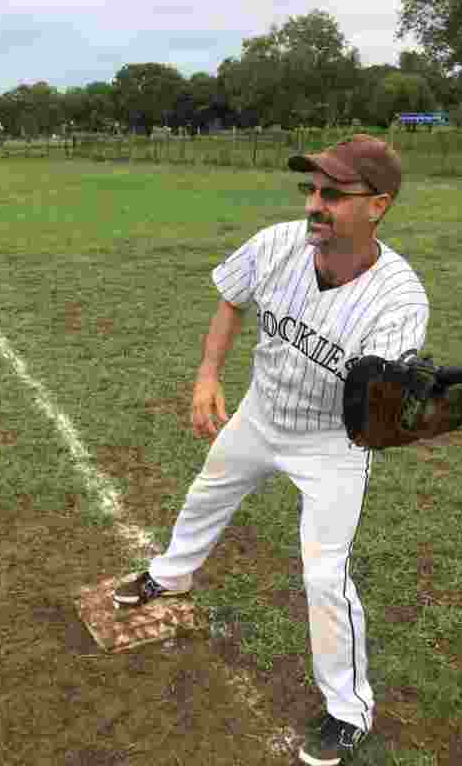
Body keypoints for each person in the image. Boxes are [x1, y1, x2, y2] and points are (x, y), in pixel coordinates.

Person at [112, 134, 429, 765]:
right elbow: (232, 297)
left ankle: (347, 709)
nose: (315, 204)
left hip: (330, 445)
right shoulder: (278, 244)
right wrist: (207, 374)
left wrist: (407, 409)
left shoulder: (399, 300)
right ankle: (170, 574)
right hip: (260, 415)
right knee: (208, 490)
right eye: (311, 189)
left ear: (379, 206)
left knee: (323, 576)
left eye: (333, 194)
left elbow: (375, 412)